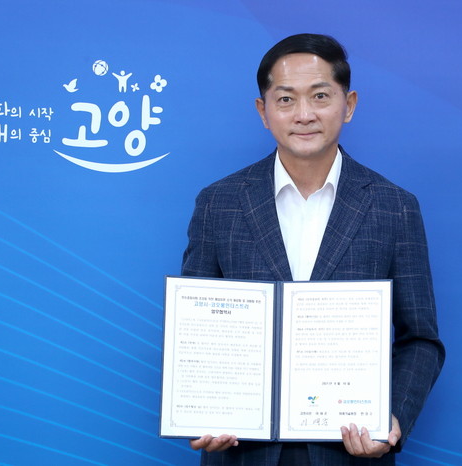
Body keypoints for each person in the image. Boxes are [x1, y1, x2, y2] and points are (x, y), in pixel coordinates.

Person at [181, 33, 444, 466]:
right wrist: (201, 409)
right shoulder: (218, 204)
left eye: (320, 96)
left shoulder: (394, 207)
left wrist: (392, 418)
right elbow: (196, 330)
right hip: (243, 453)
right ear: (263, 112)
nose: (304, 114)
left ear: (349, 104)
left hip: (351, 453)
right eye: (286, 100)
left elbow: (420, 339)